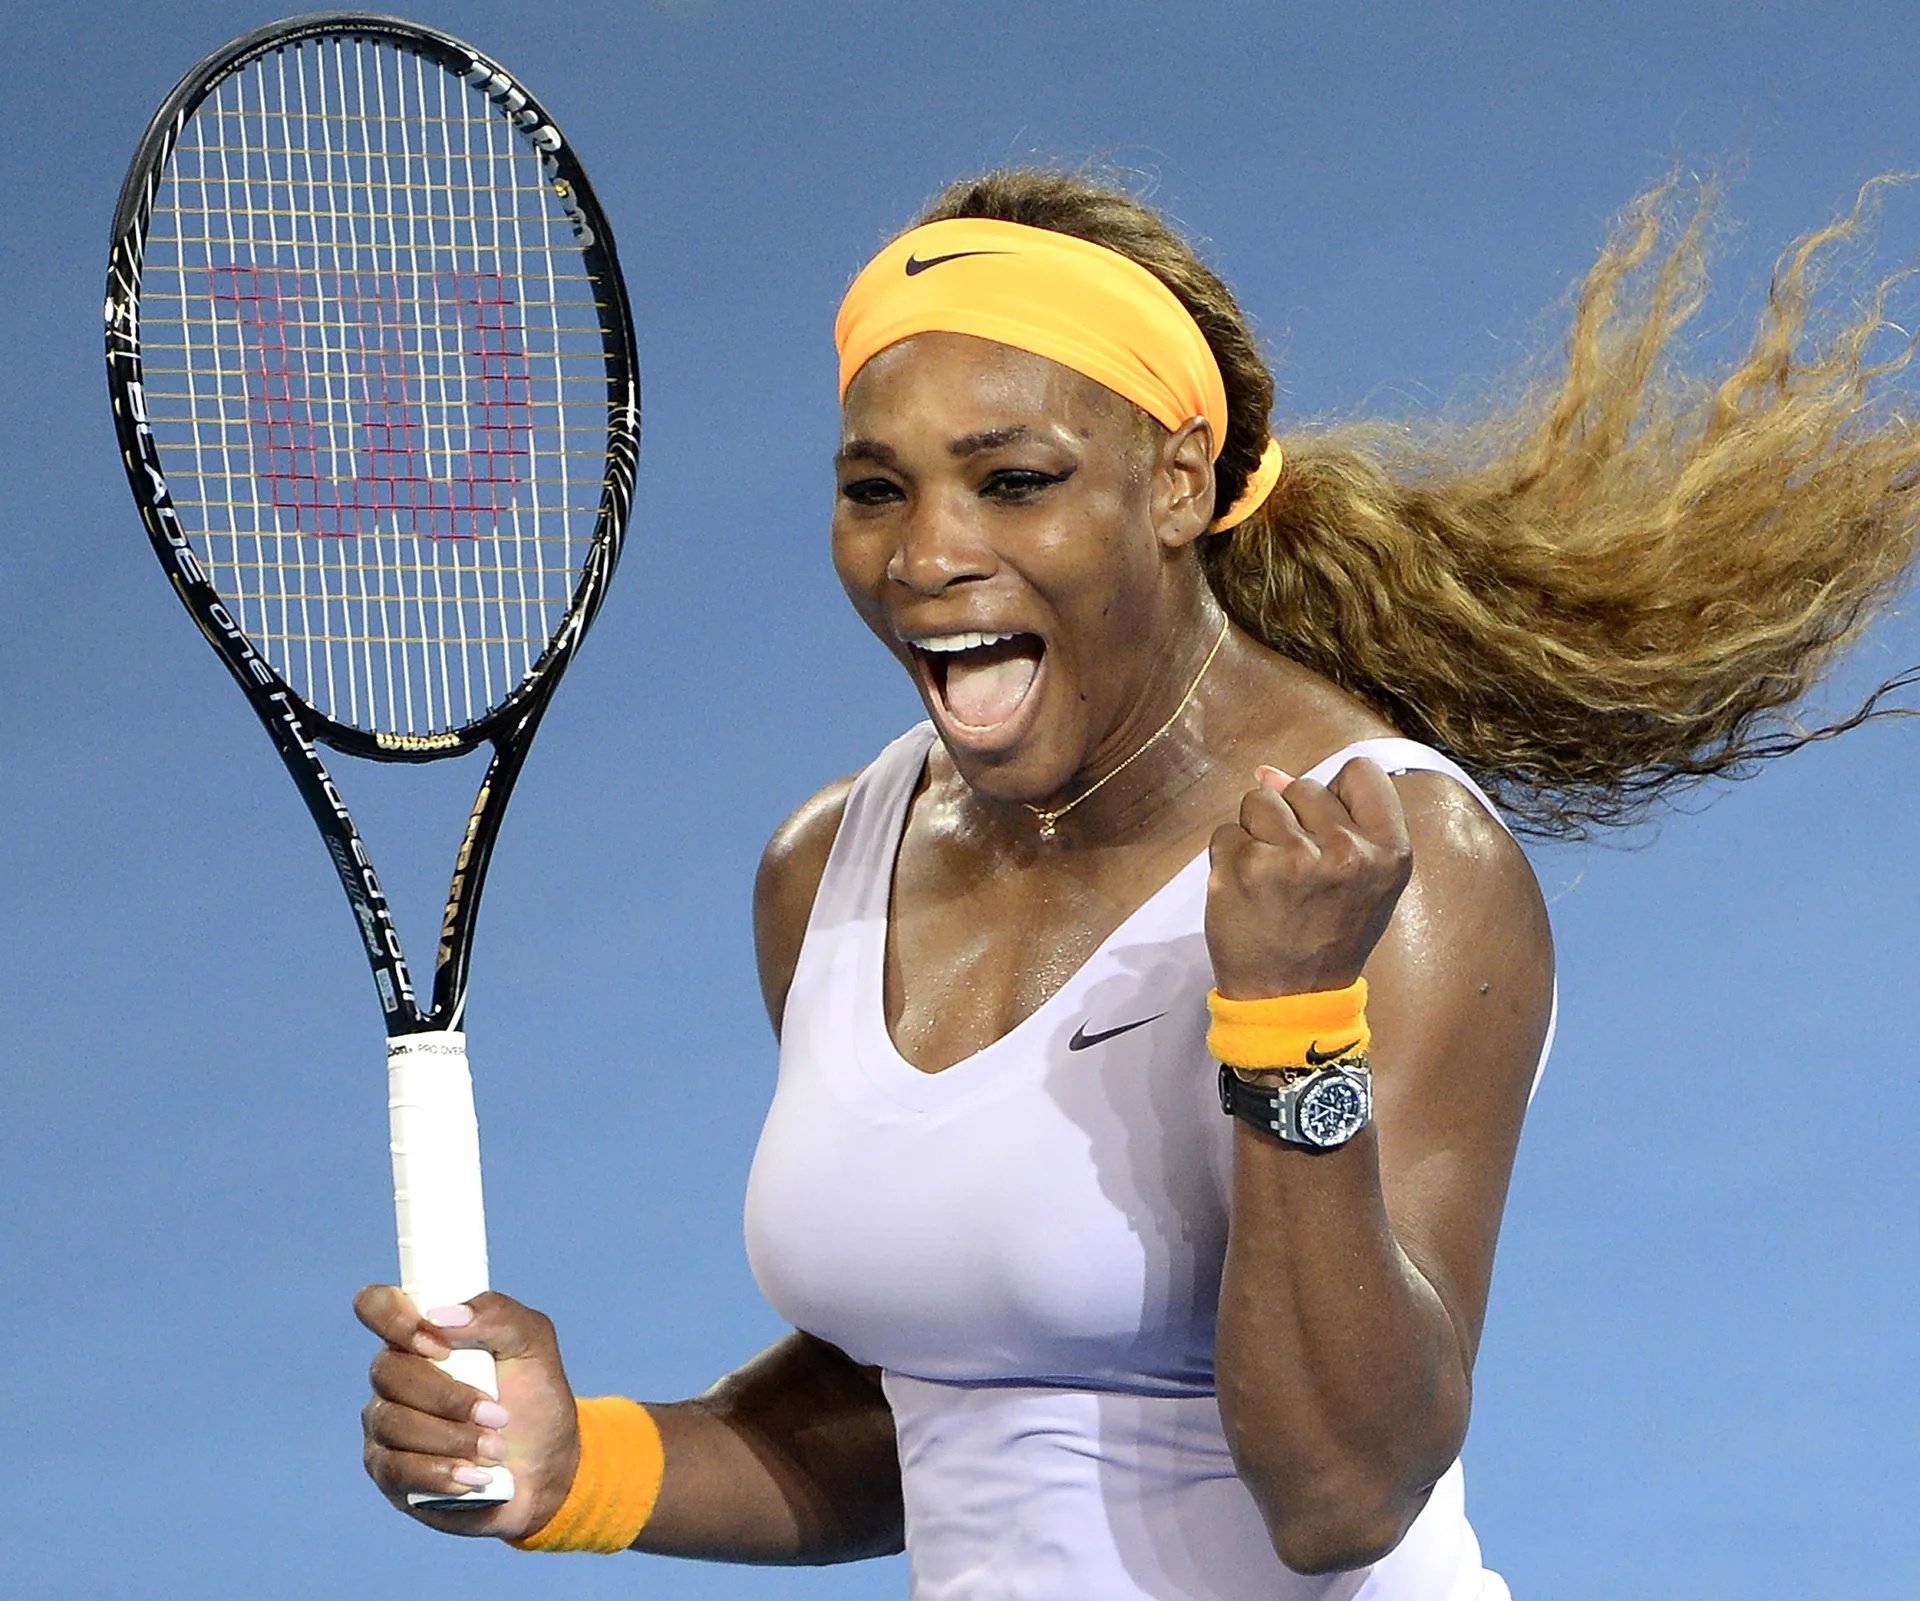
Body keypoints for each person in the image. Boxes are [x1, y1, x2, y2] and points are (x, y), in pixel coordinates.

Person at [355, 169, 1919, 1597]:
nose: (926, 556)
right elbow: (920, 1397)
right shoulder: (827, 868)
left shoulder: (1401, 864)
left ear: (1178, 483)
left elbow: (1341, 1491)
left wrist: (1290, 1019)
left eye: (1014, 480)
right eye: (876, 487)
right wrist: (584, 1469)